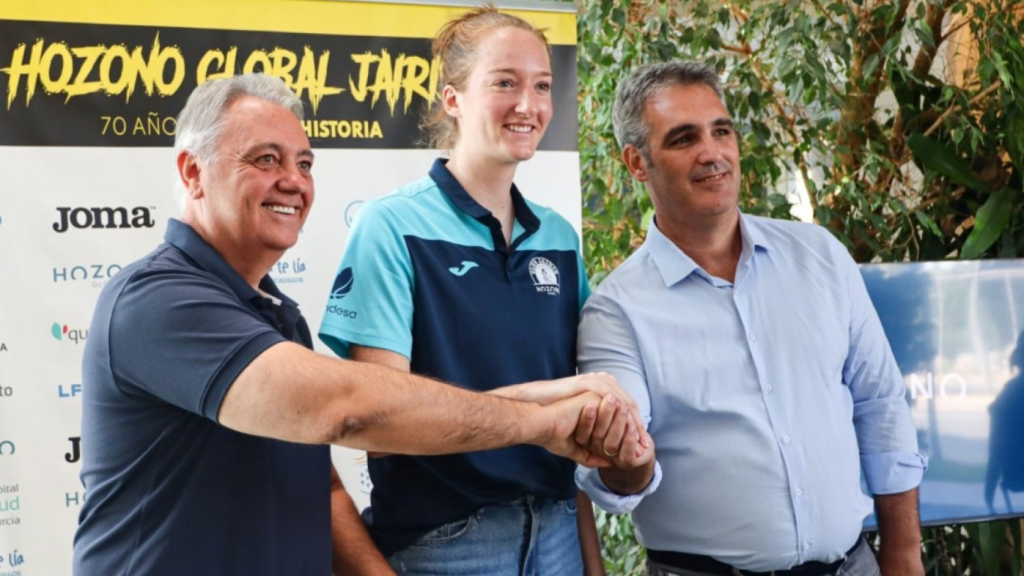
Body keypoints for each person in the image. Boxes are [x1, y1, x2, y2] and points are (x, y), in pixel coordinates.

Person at [72, 73, 625, 576]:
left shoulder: (276, 314)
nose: (293, 181)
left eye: (304, 164)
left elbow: (324, 487)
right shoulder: (157, 300)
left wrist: (544, 399)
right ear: (193, 172)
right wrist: (543, 422)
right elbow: (351, 409)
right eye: (266, 160)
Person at [318, 7, 650, 575]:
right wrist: (548, 401)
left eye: (541, 86)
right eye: (504, 83)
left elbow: (575, 441)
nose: (528, 105)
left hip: (558, 533)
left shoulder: (558, 236)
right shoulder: (391, 226)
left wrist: (590, 562)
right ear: (453, 99)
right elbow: (381, 425)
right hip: (449, 543)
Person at [575, 61, 928, 576]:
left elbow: (880, 403)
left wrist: (903, 551)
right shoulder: (616, 310)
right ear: (636, 162)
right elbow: (619, 474)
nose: (712, 152)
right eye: (683, 138)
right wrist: (628, 462)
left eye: (721, 131)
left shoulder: (819, 256)